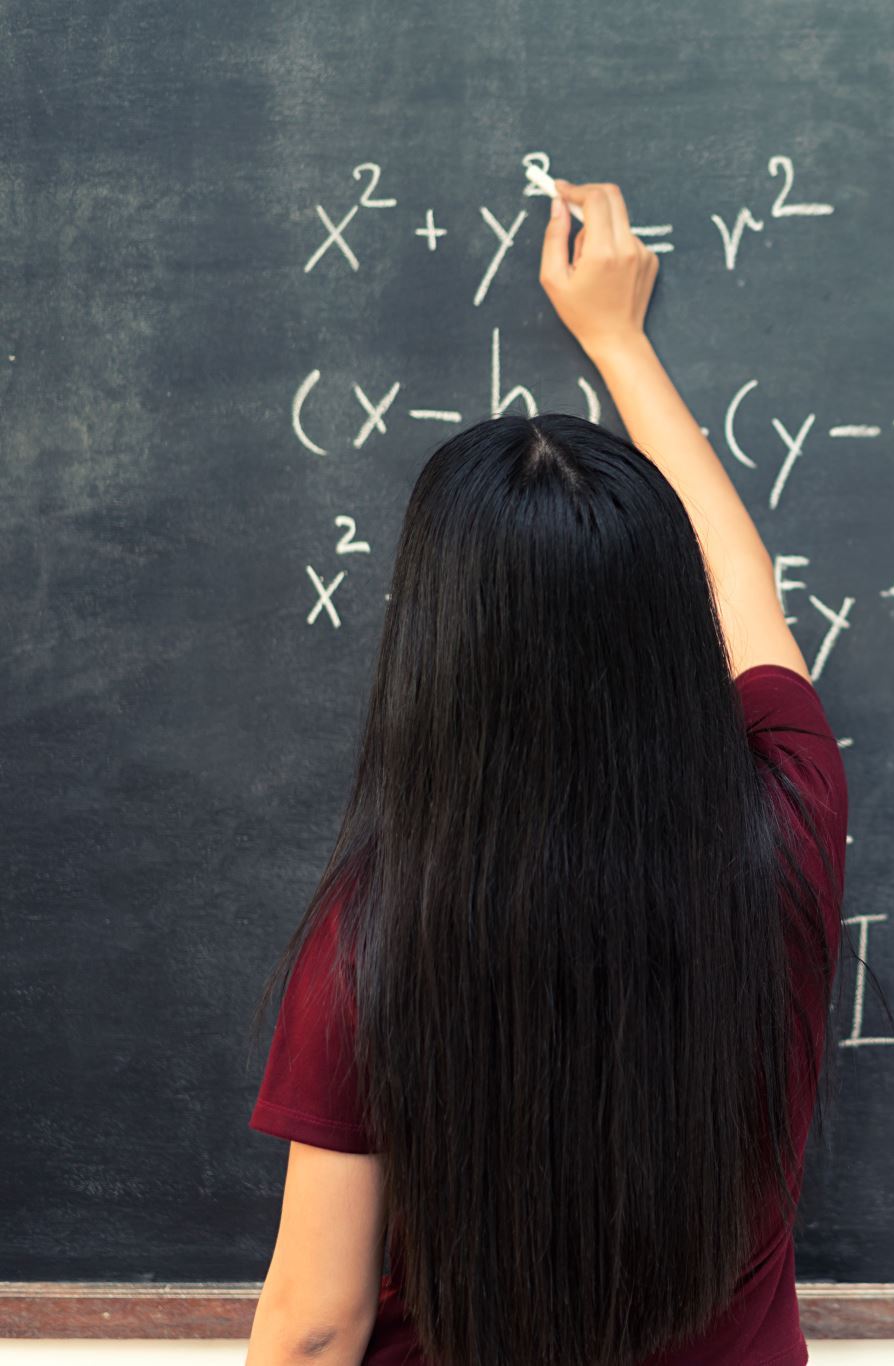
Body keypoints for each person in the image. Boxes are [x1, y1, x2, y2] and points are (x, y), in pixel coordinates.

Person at [242, 180, 844, 1366]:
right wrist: (618, 343)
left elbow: (314, 1327)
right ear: (668, 623)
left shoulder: (375, 938)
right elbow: (745, 588)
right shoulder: (787, 819)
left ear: (436, 644)